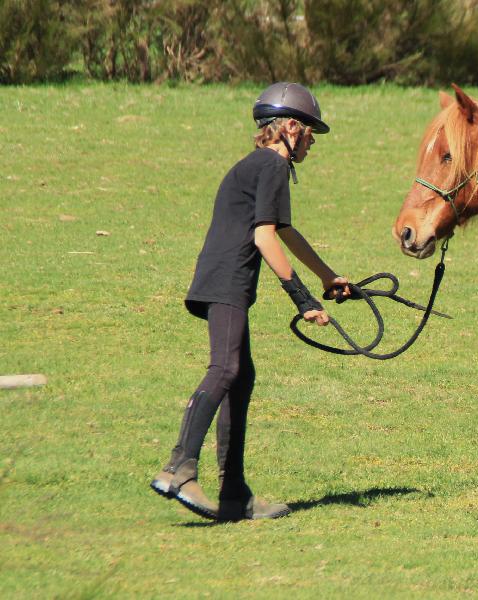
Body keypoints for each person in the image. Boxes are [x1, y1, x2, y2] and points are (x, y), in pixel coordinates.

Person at [150, 82, 350, 521]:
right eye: (311, 130)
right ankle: (179, 467)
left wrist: (327, 277)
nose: (314, 140)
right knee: (226, 369)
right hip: (227, 281)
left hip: (222, 280)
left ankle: (234, 492)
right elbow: (264, 237)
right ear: (291, 128)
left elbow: (285, 232)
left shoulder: (260, 165)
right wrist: (302, 298)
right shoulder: (273, 166)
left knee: (240, 375)